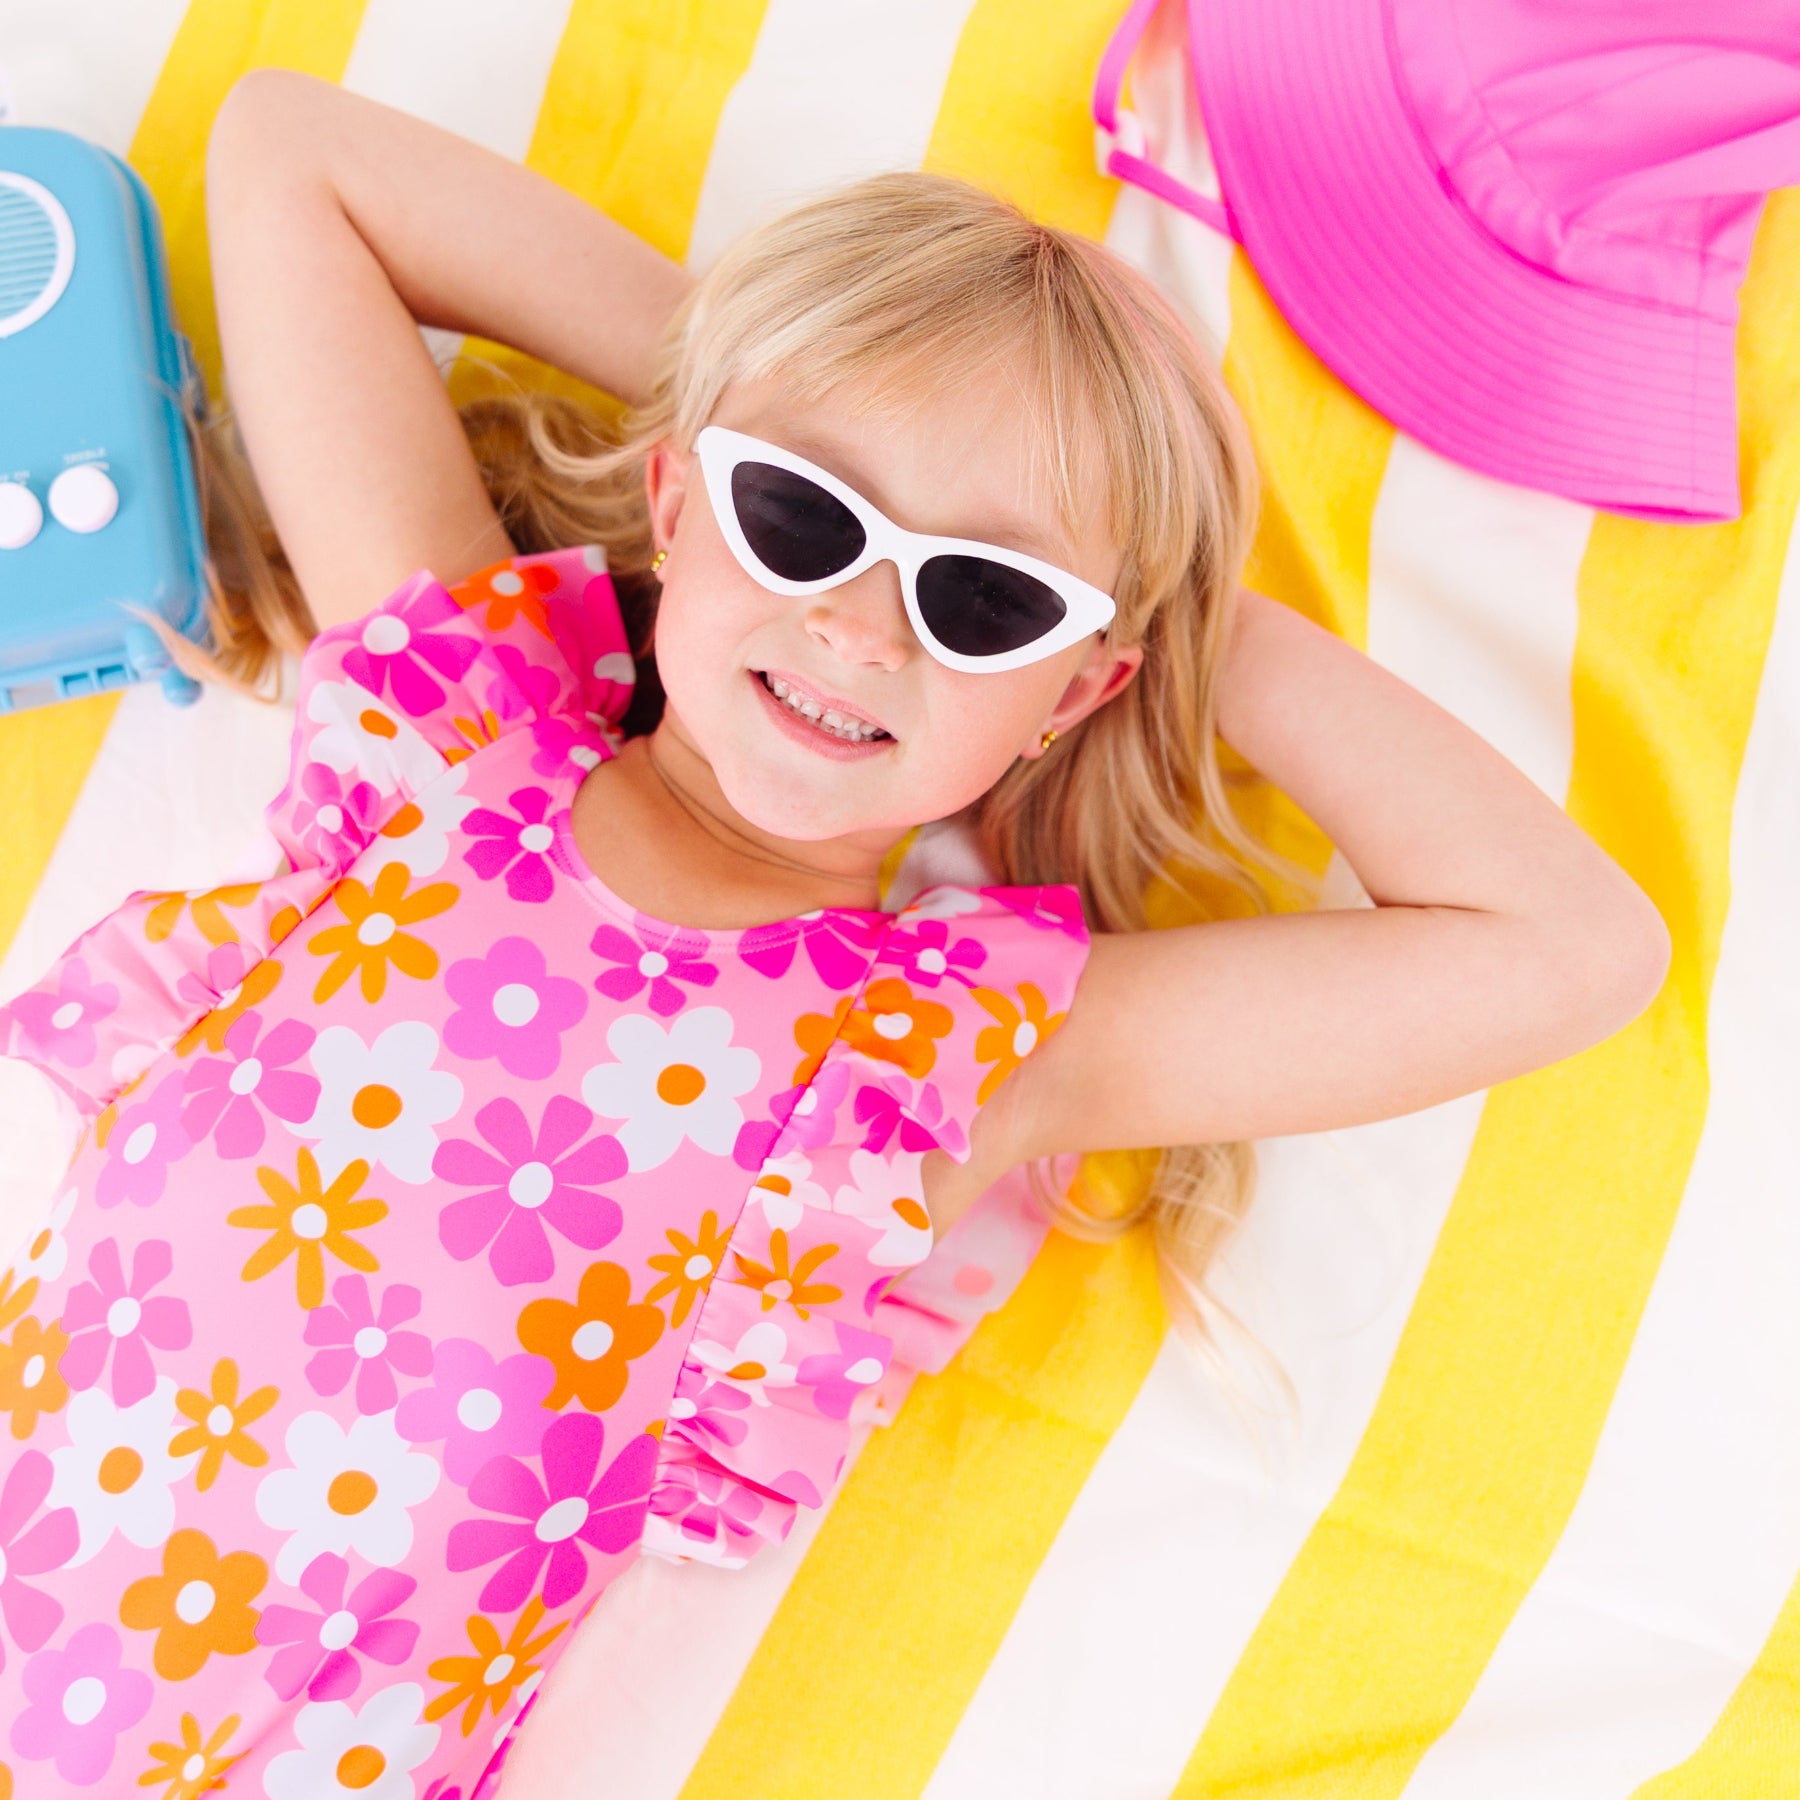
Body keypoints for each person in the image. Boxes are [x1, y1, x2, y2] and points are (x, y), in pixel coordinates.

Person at [0, 68, 1668, 1798]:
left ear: (1076, 692)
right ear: (677, 502)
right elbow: (294, 152)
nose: (864, 626)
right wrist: (772, 385)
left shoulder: (937, 1057)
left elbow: (1569, 950)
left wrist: (1172, 603)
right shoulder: (454, 738)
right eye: (804, 517)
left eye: (987, 594)